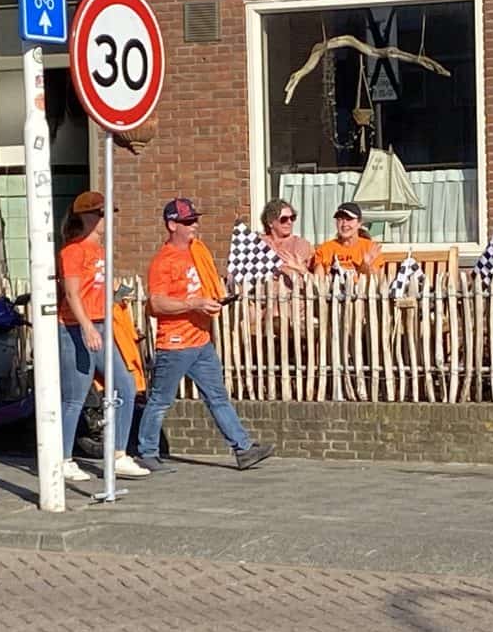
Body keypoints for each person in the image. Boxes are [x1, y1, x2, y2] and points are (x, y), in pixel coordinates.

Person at [137, 197, 274, 472]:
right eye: (188, 222)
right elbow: (156, 303)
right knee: (161, 400)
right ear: (172, 225)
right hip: (175, 343)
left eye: (195, 220)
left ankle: (243, 449)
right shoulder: (163, 262)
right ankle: (147, 452)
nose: (195, 226)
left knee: (218, 397)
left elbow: (206, 281)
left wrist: (215, 297)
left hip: (200, 339)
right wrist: (195, 303)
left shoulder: (197, 250)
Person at [57, 190, 150, 482]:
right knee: (74, 396)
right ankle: (62, 458)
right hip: (76, 327)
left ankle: (119, 454)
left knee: (125, 386)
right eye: (99, 214)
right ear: (85, 216)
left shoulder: (100, 251)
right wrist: (85, 326)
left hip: (100, 325)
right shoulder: (72, 251)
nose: (105, 220)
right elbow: (72, 293)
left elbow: (98, 290)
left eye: (106, 213)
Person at [312, 201, 384, 276]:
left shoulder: (370, 248)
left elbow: (376, 282)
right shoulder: (325, 249)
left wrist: (365, 267)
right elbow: (318, 281)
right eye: (340, 219)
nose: (344, 224)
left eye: (349, 219)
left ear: (359, 223)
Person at [259, 198, 313, 278]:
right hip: (261, 289)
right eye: (284, 219)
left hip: (293, 289)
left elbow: (317, 282)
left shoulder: (303, 245)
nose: (289, 222)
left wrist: (300, 269)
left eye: (292, 218)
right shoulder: (259, 243)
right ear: (270, 222)